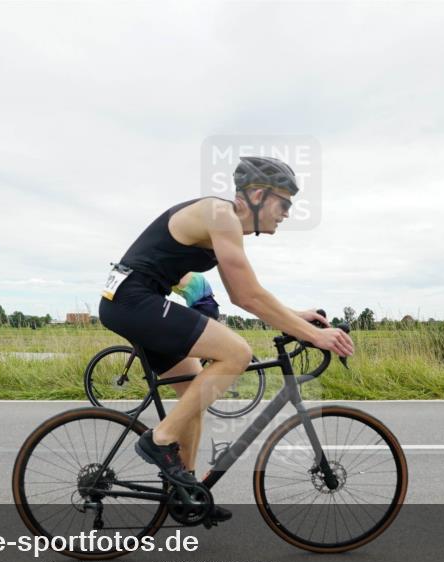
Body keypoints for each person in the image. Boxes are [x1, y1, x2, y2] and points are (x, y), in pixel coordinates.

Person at [98, 156, 355, 522]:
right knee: (237, 353)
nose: (286, 213)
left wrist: (296, 317)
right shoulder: (221, 216)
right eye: (284, 203)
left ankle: (185, 492)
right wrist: (316, 335)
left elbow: (245, 291)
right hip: (133, 300)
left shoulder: (222, 222)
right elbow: (246, 296)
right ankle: (158, 440)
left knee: (193, 395)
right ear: (257, 194)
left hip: (135, 300)